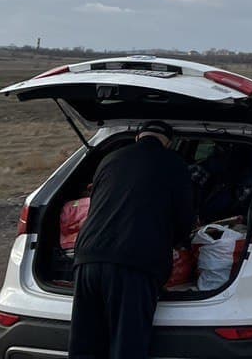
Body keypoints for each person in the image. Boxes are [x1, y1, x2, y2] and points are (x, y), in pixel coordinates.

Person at [69, 120, 194, 359]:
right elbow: (183, 217)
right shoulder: (174, 164)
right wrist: (179, 242)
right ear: (169, 142)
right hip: (134, 264)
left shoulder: (110, 159)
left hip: (87, 259)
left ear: (138, 137)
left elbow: (94, 205)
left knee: (84, 344)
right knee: (127, 345)